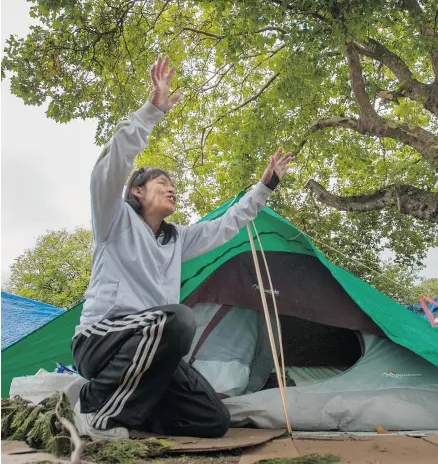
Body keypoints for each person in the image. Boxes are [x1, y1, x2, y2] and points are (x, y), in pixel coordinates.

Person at [71, 55, 292, 441]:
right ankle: (96, 408)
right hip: (103, 340)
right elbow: (111, 165)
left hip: (152, 346)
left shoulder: (177, 238)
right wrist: (151, 111)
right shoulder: (114, 219)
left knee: (213, 420)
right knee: (179, 319)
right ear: (137, 191)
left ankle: (133, 413)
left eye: (173, 184)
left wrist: (265, 187)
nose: (172, 188)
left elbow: (229, 225)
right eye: (161, 183)